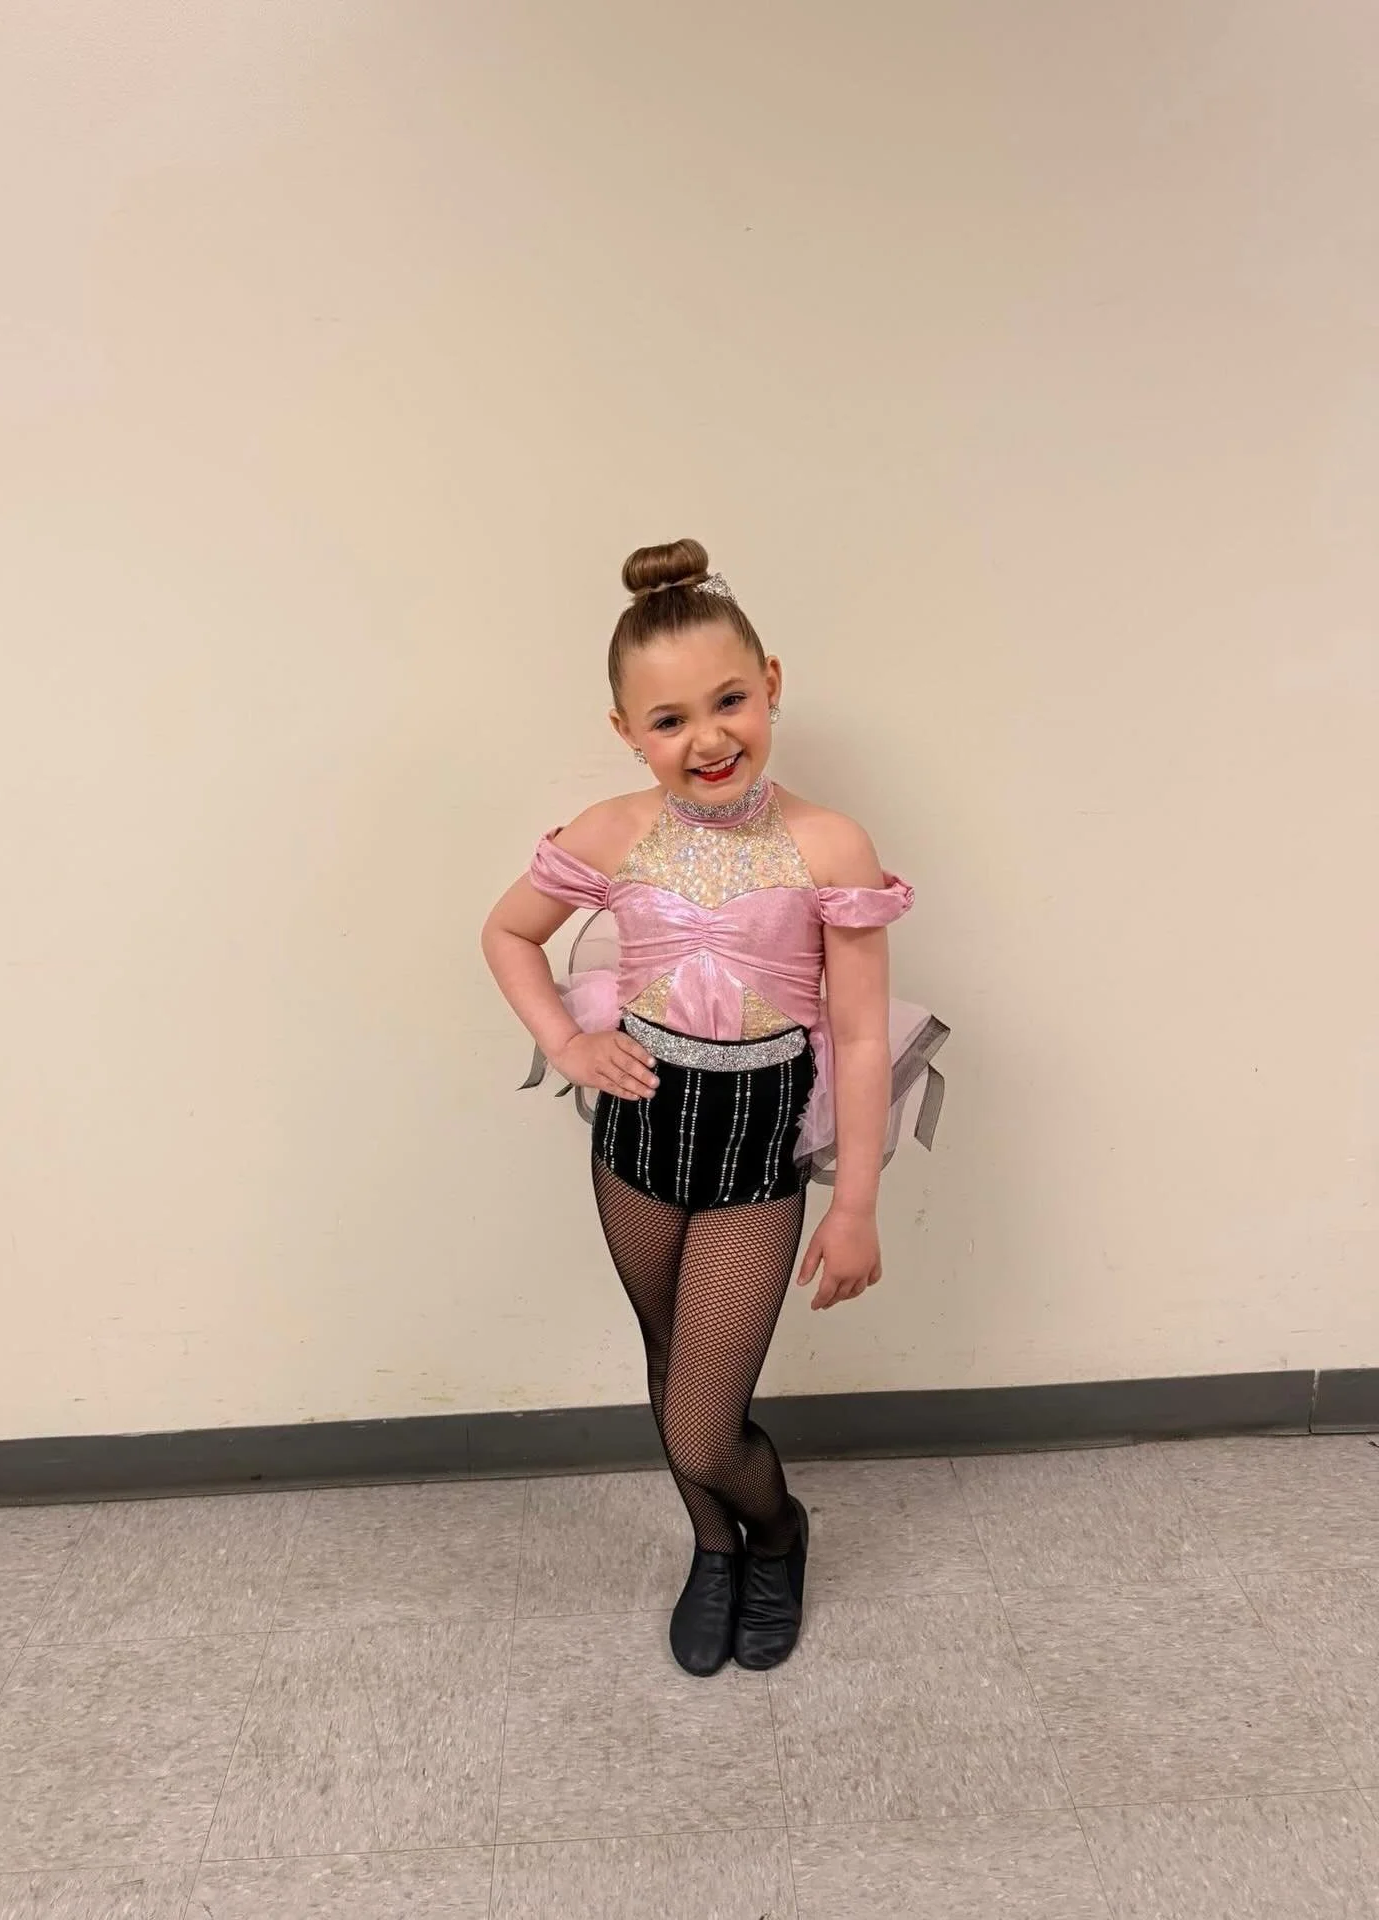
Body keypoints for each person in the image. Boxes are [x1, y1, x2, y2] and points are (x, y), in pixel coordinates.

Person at [482, 538, 924, 1677]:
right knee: (667, 1356)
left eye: (729, 701)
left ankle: (776, 1533)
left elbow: (860, 1034)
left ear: (770, 684)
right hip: (637, 1135)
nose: (708, 738)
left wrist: (857, 1203)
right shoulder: (612, 830)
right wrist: (567, 1042)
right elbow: (509, 932)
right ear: (627, 730)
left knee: (702, 1421)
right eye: (669, 719)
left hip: (753, 1150)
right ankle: (714, 1548)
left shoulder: (829, 843)